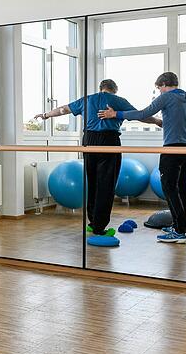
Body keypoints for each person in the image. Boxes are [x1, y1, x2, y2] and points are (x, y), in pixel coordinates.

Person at [36, 80, 161, 237]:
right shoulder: (118, 100)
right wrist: (157, 121)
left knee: (93, 182)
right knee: (106, 184)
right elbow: (139, 115)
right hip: (108, 140)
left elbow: (63, 109)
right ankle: (99, 226)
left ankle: (93, 221)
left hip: (88, 140)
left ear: (101, 88)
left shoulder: (87, 99)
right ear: (114, 90)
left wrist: (45, 115)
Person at [98, 72, 186, 243]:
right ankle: (180, 225)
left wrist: (116, 115)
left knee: (169, 188)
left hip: (172, 149)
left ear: (164, 84)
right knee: (182, 189)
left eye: (159, 89)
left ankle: (179, 231)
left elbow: (142, 114)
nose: (159, 92)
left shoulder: (167, 97)